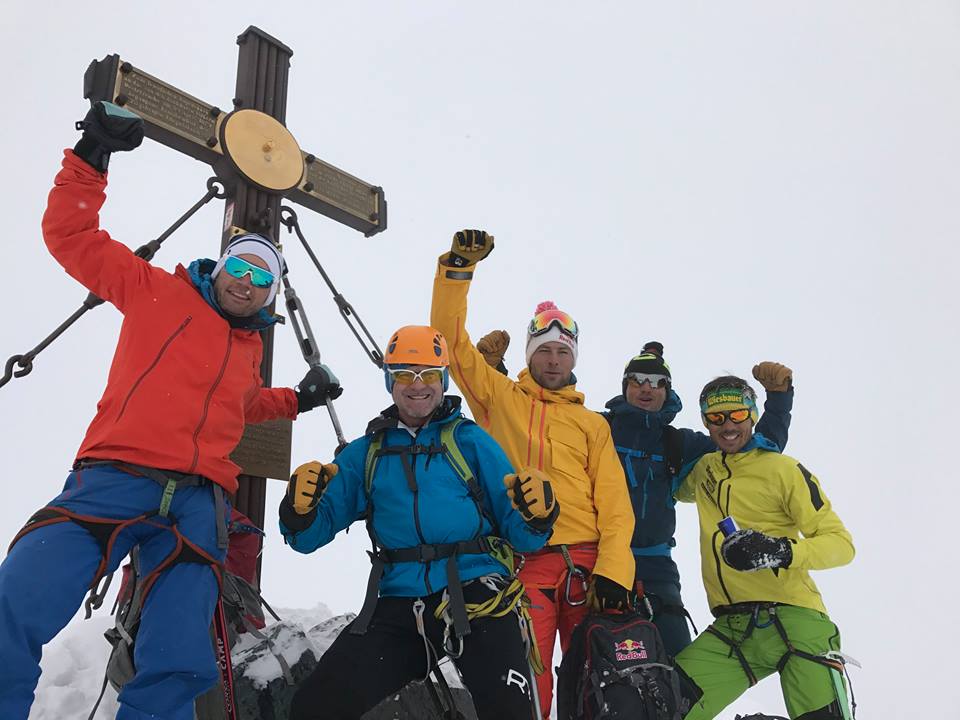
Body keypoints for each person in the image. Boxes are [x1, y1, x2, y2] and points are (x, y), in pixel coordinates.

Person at [0, 101, 341, 720]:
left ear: (270, 294)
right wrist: (92, 155)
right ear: (222, 266)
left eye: (261, 278)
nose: (245, 282)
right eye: (240, 266)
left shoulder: (248, 350)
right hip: (114, 476)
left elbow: (245, 405)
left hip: (197, 504)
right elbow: (72, 237)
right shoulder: (156, 290)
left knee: (180, 655)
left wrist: (300, 399)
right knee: (20, 595)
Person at [281, 326, 556, 720]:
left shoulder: (470, 441)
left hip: (478, 594)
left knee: (507, 711)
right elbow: (308, 537)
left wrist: (538, 516)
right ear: (389, 380)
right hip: (400, 604)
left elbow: (523, 535)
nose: (417, 385)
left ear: (443, 380)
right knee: (316, 706)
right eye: (404, 374)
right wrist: (298, 512)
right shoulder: (367, 453)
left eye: (428, 374)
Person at [430, 230, 635, 718]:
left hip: (588, 567)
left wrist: (615, 570)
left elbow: (614, 503)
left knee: (599, 687)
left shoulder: (591, 424)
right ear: (529, 355)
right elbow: (450, 345)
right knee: (526, 682)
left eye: (563, 352)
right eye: (544, 350)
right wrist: (457, 271)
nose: (553, 359)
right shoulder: (499, 398)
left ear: (574, 359)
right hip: (525, 564)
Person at [673, 375, 855, 720]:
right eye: (716, 417)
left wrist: (780, 551)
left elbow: (841, 544)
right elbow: (669, 488)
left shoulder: (783, 469)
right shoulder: (705, 469)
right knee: (660, 704)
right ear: (706, 422)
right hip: (732, 629)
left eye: (738, 415)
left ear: (752, 415)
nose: (728, 426)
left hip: (795, 619)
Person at [603, 342, 794, 656]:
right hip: (601, 561)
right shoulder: (599, 429)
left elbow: (749, 449)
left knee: (679, 665)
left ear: (667, 390)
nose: (646, 388)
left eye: (657, 382)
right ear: (625, 387)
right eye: (637, 380)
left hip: (657, 568)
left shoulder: (678, 442)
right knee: (599, 659)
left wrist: (779, 399)